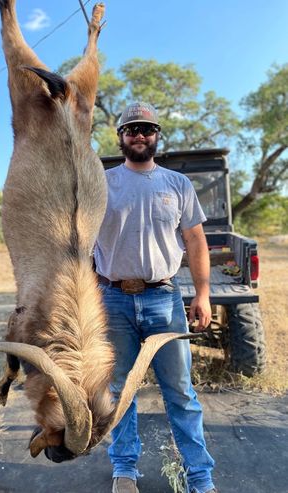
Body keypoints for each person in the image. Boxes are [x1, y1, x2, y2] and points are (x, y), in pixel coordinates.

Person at [94, 102, 217, 493]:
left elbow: (195, 239)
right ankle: (125, 470)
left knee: (180, 390)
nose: (139, 135)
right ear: (121, 137)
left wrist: (203, 294)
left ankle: (200, 476)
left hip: (163, 299)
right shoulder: (101, 182)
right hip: (111, 300)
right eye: (131, 129)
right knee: (120, 391)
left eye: (147, 128)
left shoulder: (177, 185)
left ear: (157, 135)